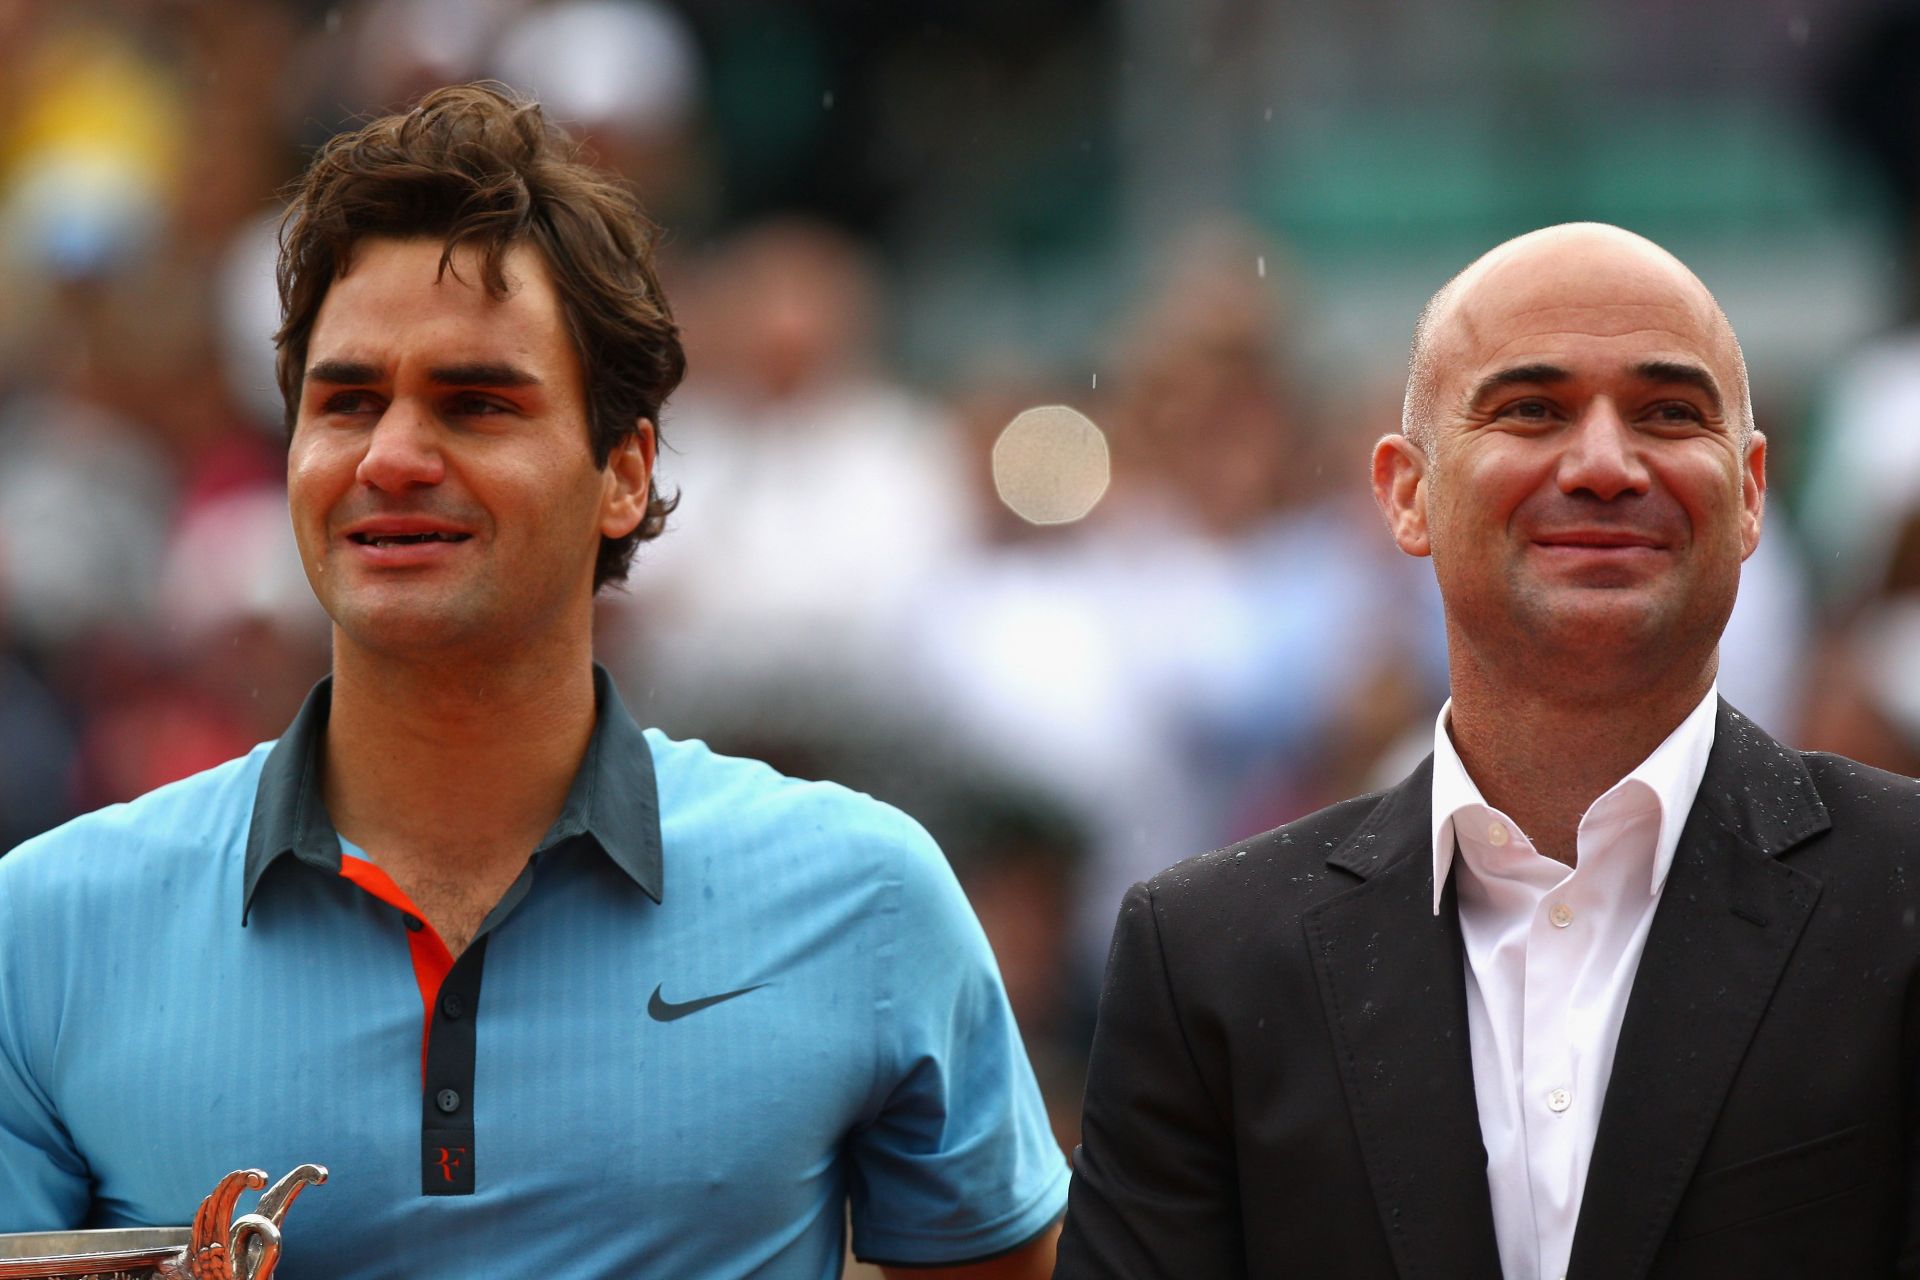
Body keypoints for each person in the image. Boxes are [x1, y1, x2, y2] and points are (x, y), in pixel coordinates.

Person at [0, 84, 1067, 1279]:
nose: (392, 456)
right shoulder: (43, 931)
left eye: (476, 402)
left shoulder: (866, 898)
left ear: (624, 470)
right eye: (346, 399)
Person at [1053, 223, 1920, 1280]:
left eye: (1668, 413)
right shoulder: (1204, 959)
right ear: (1405, 493)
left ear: (1748, 493)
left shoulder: (1904, 890)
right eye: (1532, 410)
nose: (1605, 464)